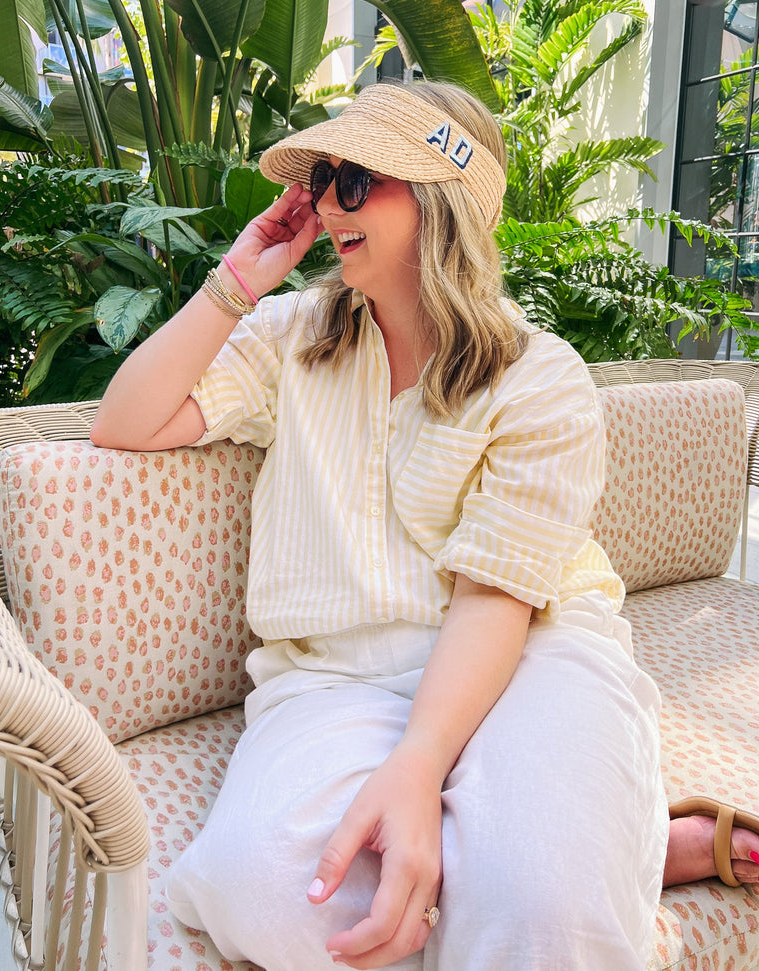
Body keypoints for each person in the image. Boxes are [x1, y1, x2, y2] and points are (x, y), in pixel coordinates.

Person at [90, 80, 759, 971]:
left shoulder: (538, 377)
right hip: (332, 678)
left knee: (548, 913)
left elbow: (495, 598)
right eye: (323, 180)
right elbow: (125, 422)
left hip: (528, 648)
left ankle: (563, 849)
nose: (328, 205)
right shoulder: (294, 337)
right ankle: (620, 846)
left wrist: (417, 762)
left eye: (355, 181)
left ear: (442, 199)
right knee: (264, 889)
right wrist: (238, 280)